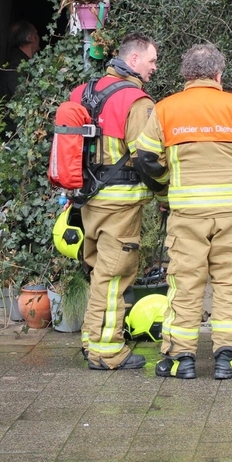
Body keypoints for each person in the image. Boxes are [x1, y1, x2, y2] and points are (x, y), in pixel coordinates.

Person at [135, 43, 232, 380]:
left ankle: (179, 360)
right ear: (218, 75)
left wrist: (165, 185)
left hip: (187, 214)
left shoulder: (167, 109)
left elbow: (144, 158)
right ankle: (227, 359)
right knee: (231, 284)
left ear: (185, 75)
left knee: (185, 285)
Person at [77, 32, 159, 371]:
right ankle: (105, 351)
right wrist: (165, 191)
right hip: (120, 204)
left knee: (99, 273)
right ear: (135, 60)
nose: (154, 68)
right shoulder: (136, 101)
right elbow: (147, 157)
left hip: (89, 199)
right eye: (152, 61)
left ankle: (90, 340)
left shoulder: (83, 92)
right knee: (114, 278)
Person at [0, 20, 40, 102]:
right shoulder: (15, 64)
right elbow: (21, 95)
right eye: (36, 33)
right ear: (30, 37)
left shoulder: (21, 60)